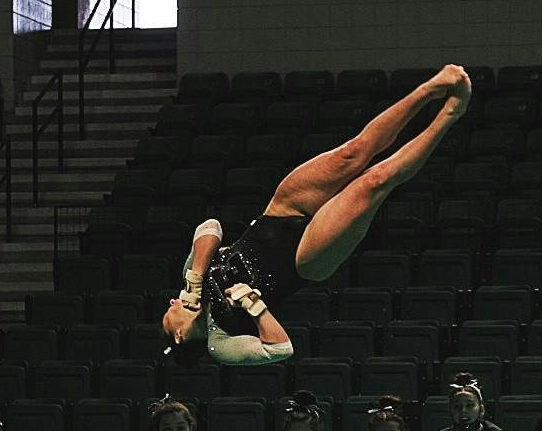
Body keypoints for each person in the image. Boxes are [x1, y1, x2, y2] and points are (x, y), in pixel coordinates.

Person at [161, 65, 473, 366]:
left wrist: (195, 279)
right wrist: (253, 305)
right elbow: (280, 348)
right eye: (168, 314)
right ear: (179, 335)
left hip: (278, 213)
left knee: (353, 152)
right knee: (374, 182)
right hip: (303, 259)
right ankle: (450, 114)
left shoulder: (190, 282)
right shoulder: (220, 344)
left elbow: (210, 227)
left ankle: (429, 89)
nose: (171, 303)